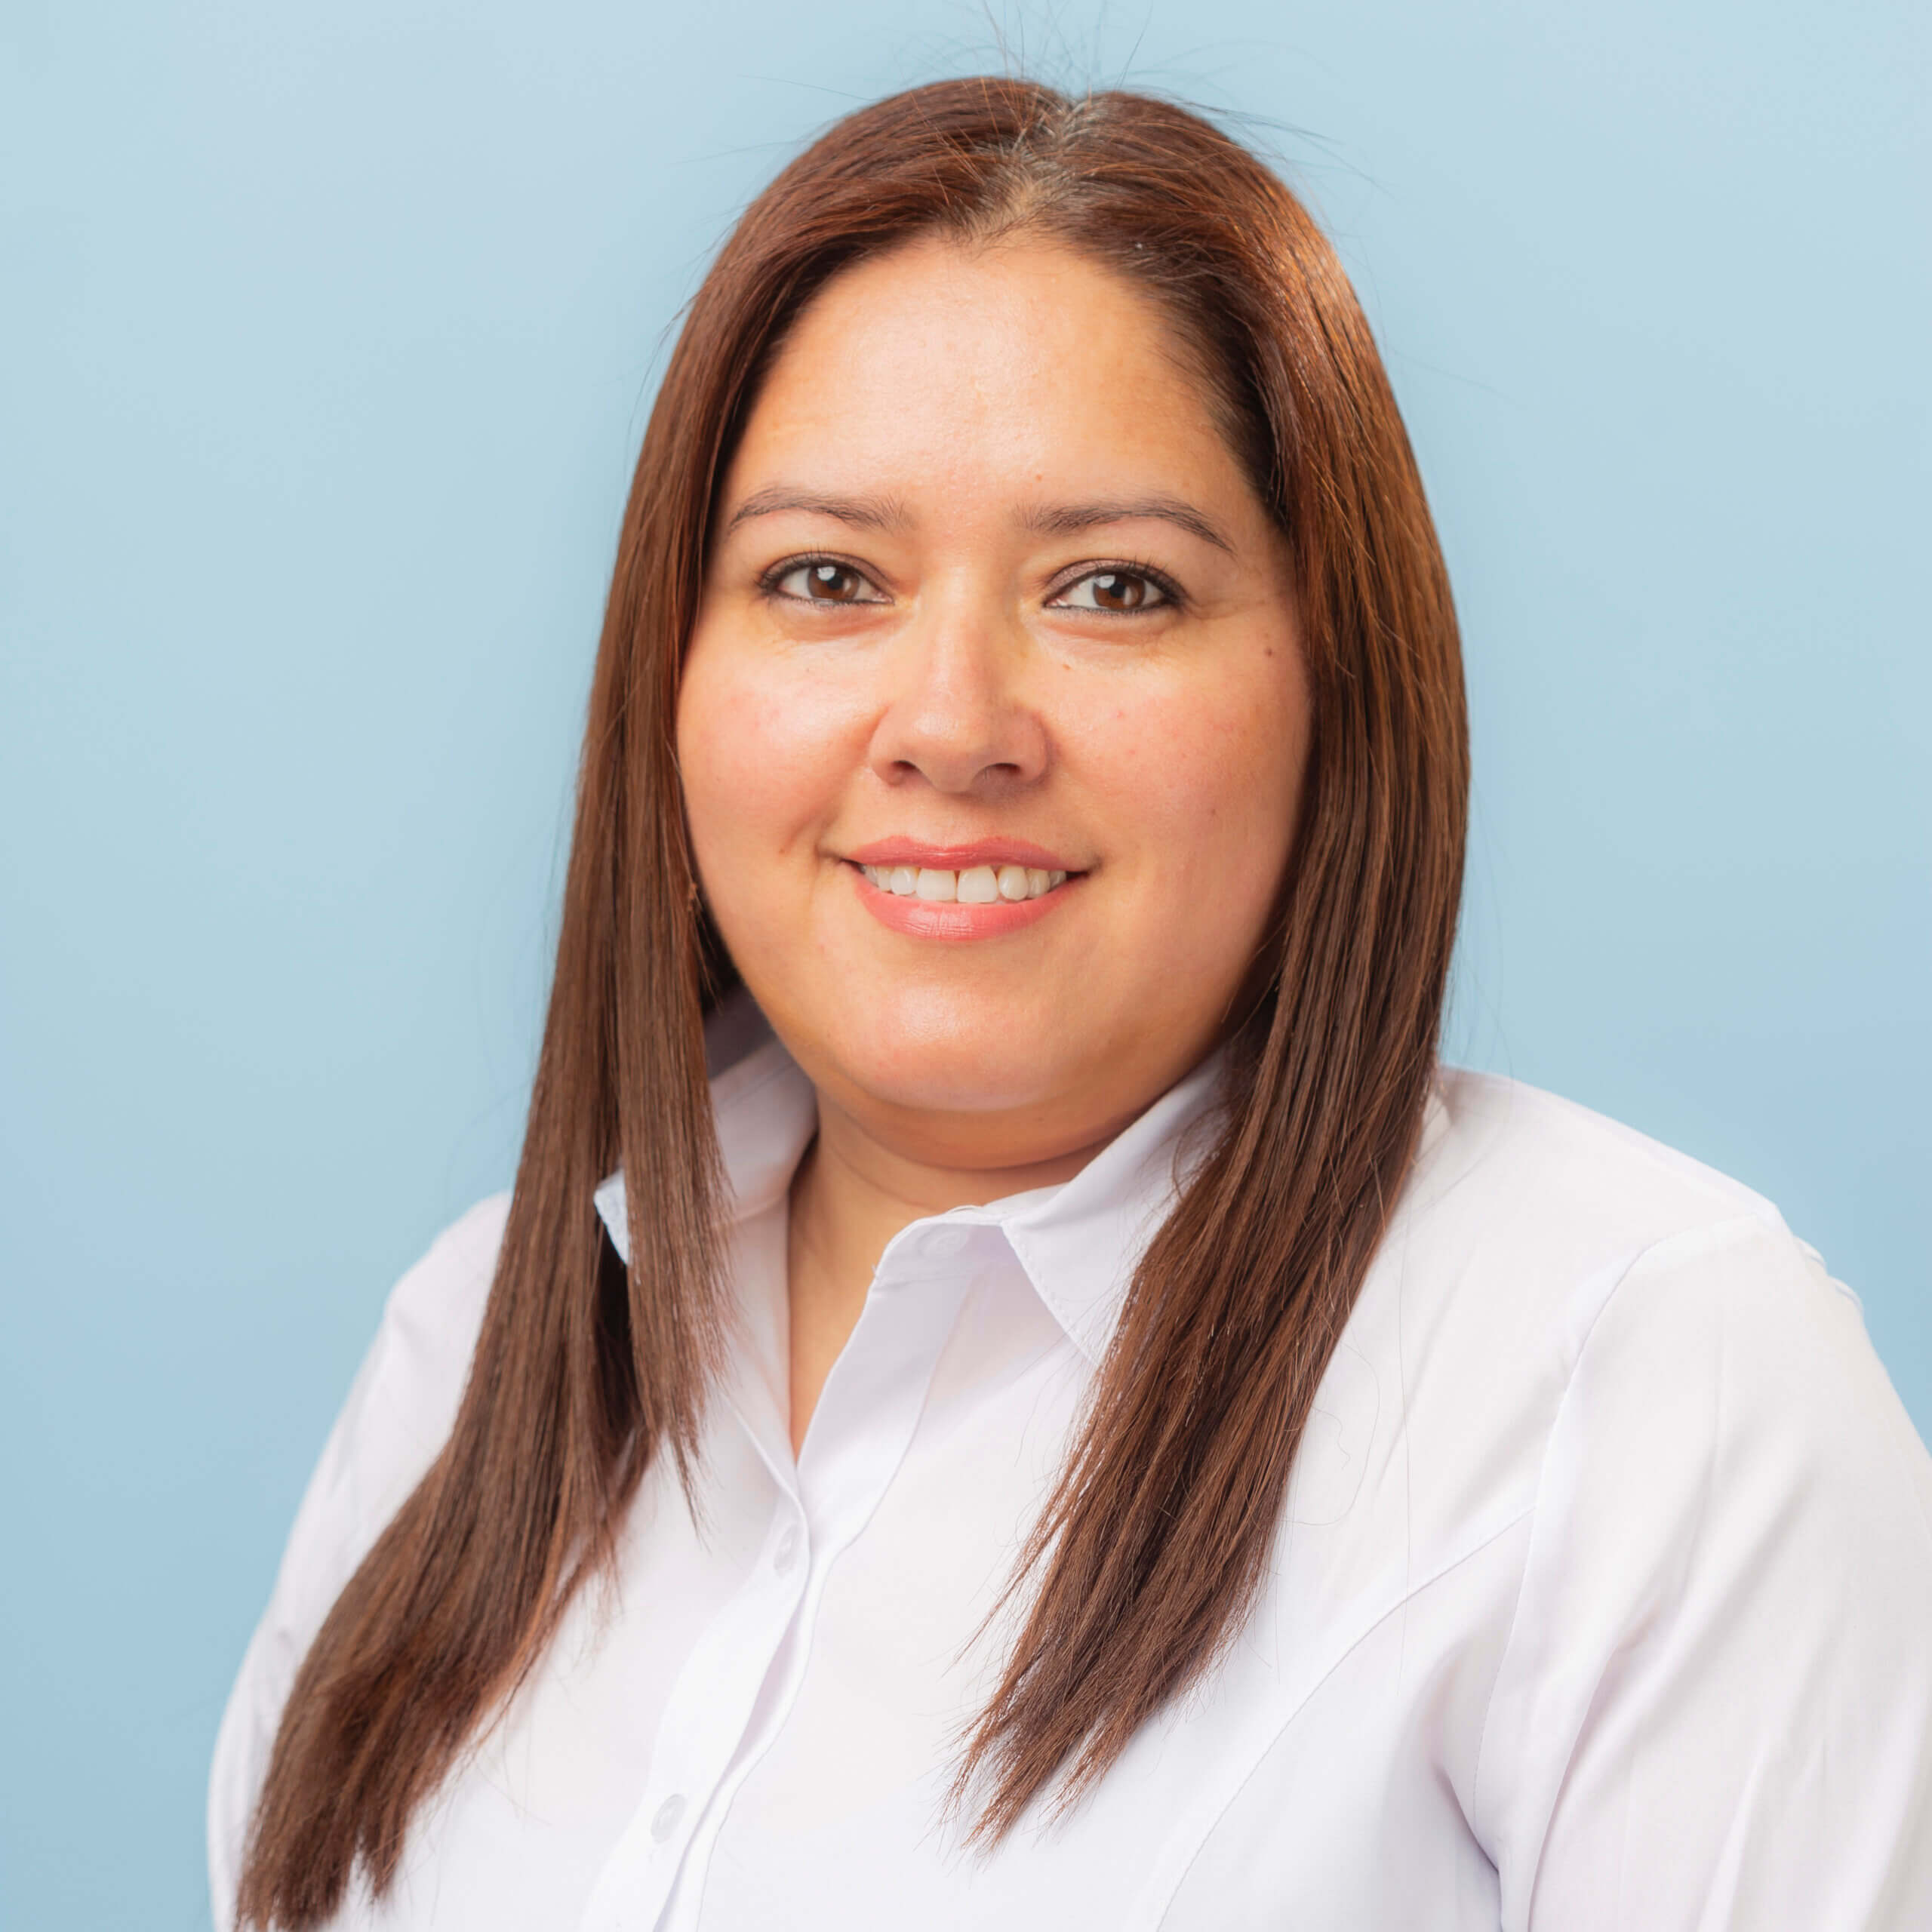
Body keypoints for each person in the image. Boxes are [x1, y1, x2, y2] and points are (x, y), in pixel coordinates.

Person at [209, 78, 1932, 1932]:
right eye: (824, 577)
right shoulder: (477, 1342)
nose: (953, 724)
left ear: (1334, 684)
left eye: (1113, 587)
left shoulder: (1645, 1390)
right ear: (671, 671)